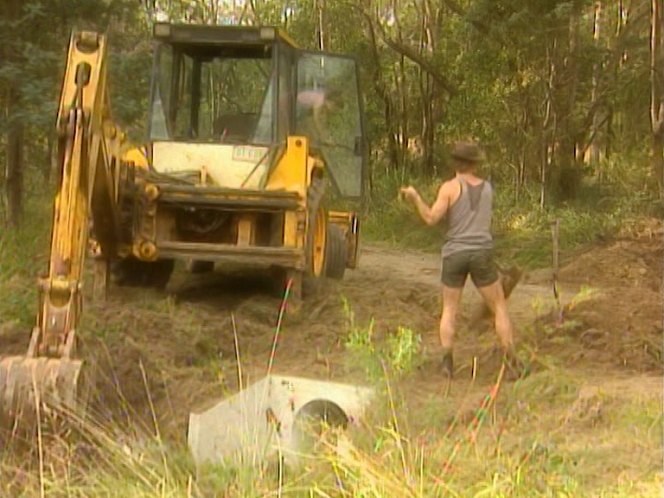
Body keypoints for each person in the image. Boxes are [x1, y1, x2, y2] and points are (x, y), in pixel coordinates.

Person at [400, 141, 526, 379]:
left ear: (455, 163)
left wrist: (415, 197)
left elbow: (430, 218)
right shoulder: (488, 188)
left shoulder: (449, 188)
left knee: (449, 309)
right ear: (475, 164)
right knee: (499, 307)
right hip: (481, 252)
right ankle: (511, 361)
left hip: (455, 253)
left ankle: (447, 363)